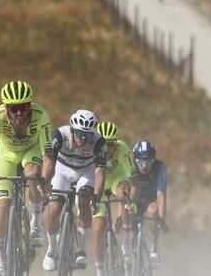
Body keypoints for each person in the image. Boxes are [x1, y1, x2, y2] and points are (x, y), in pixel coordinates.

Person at [0, 81, 53, 276]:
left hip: (31, 151)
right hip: (6, 154)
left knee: (32, 175)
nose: (19, 113)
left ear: (30, 106)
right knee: (2, 206)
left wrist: (45, 181)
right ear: (6, 108)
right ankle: (1, 260)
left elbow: (48, 155)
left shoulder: (41, 115)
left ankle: (36, 221)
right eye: (13, 108)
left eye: (24, 107)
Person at [42, 110, 108, 272]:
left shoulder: (99, 142)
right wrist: (45, 182)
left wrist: (96, 196)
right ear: (72, 130)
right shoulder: (59, 135)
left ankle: (81, 250)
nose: (83, 138)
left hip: (86, 172)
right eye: (79, 133)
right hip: (62, 171)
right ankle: (51, 249)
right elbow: (49, 162)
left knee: (84, 201)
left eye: (88, 134)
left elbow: (100, 171)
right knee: (54, 208)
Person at [91, 121, 135, 276]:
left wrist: (132, 200)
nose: (107, 149)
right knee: (97, 228)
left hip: (117, 179)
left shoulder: (123, 149)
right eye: (103, 144)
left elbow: (134, 180)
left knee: (124, 193)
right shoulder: (91, 149)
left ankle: (127, 244)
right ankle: (99, 270)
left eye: (110, 145)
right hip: (99, 184)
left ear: (116, 144)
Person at [129, 140, 169, 269]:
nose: (144, 166)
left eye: (148, 162)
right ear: (135, 160)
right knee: (132, 231)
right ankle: (128, 254)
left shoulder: (160, 168)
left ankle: (154, 248)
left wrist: (162, 219)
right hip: (135, 199)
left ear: (153, 160)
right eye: (140, 162)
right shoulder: (130, 166)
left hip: (151, 200)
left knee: (153, 211)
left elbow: (161, 194)